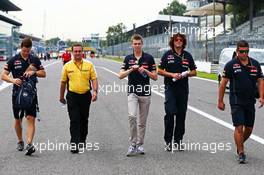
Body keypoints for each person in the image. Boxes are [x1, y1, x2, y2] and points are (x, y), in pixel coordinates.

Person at [218, 40, 264, 164]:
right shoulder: (231, 65)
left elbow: (260, 81)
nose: (244, 54)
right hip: (236, 100)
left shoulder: (255, 64)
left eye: (246, 51)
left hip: (250, 101)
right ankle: (241, 152)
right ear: (237, 51)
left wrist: (261, 96)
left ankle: (239, 143)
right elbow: (223, 84)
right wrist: (220, 101)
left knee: (248, 129)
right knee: (239, 127)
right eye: (242, 51)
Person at [1, 38, 46, 155]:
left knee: (31, 118)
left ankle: (29, 144)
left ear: (31, 49)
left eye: (28, 51)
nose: (26, 53)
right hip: (17, 94)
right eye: (24, 50)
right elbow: (3, 75)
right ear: (21, 48)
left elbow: (43, 73)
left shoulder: (34, 59)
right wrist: (12, 79)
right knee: (18, 119)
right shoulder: (13, 60)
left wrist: (34, 72)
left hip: (31, 94)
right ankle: (20, 141)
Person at [119, 34, 157, 156]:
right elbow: (120, 75)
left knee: (142, 121)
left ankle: (140, 145)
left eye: (139, 43)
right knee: (132, 116)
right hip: (132, 92)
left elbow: (155, 77)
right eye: (134, 43)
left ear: (142, 44)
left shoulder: (149, 58)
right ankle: (132, 144)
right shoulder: (128, 58)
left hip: (145, 92)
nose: (137, 45)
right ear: (132, 45)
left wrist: (144, 70)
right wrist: (131, 70)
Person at [158, 33, 197, 152]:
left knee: (181, 115)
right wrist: (172, 75)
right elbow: (159, 70)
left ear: (183, 42)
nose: (178, 41)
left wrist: (186, 73)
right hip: (170, 88)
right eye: (176, 40)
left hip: (183, 90)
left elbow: (195, 72)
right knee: (170, 114)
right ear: (173, 42)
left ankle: (178, 141)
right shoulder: (167, 55)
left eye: (181, 40)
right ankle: (168, 141)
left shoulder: (188, 56)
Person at [59, 43, 98, 154]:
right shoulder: (67, 66)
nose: (77, 53)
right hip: (72, 96)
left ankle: (82, 140)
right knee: (74, 120)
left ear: (82, 52)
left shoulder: (89, 65)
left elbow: (94, 79)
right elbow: (63, 82)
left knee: (84, 119)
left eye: (79, 51)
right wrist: (61, 96)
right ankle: (74, 143)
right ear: (72, 52)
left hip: (85, 95)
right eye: (75, 51)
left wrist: (95, 91)